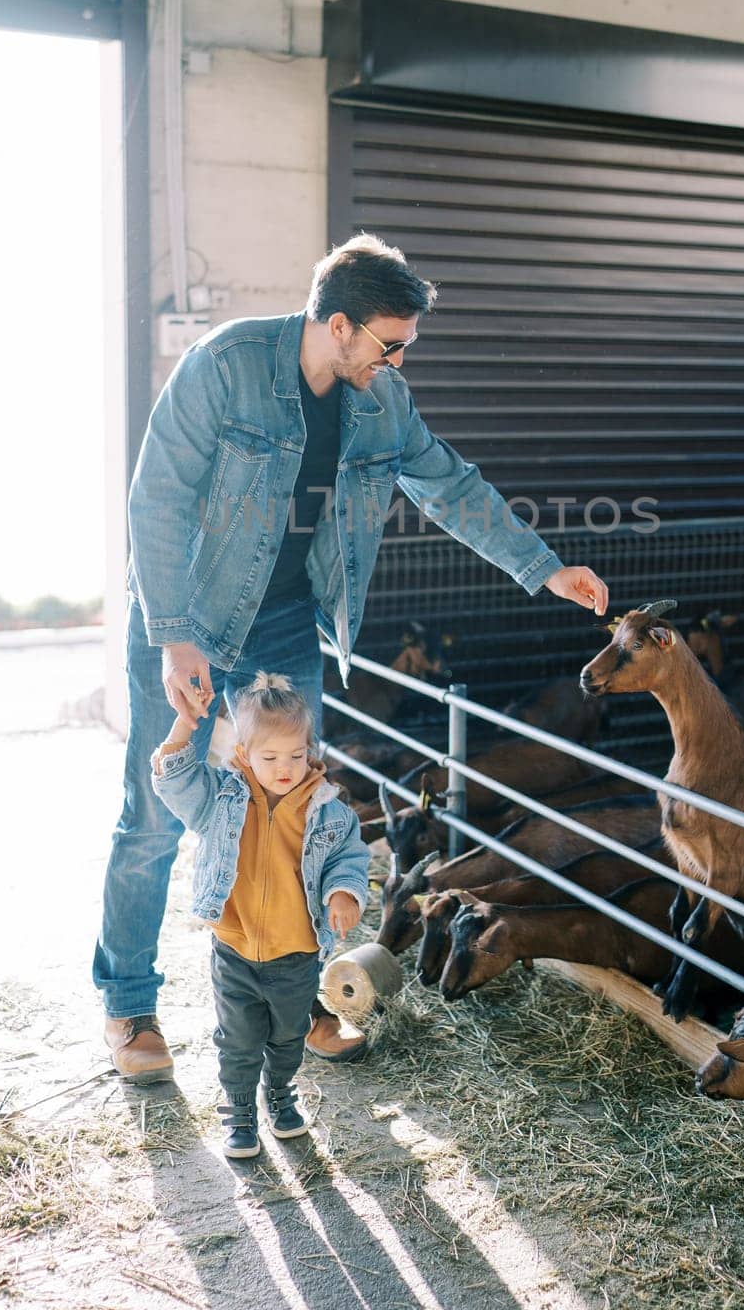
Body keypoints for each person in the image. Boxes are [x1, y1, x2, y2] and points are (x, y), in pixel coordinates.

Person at [94, 233, 610, 1081]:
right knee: (155, 818)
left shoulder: (382, 402)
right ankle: (127, 1005)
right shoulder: (225, 367)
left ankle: (298, 1005)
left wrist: (544, 566)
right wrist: (171, 633)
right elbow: (155, 499)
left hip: (290, 626)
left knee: (295, 820)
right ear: (337, 325)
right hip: (191, 618)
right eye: (390, 342)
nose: (400, 359)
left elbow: (451, 485)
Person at [150, 670, 369, 1157]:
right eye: (270, 757)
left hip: (296, 952)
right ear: (246, 754)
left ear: (309, 750)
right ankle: (240, 1111)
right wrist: (185, 725)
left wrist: (344, 894)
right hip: (235, 946)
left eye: (296, 754)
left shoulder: (327, 811)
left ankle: (280, 1094)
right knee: (239, 1037)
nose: (285, 766)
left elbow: (349, 859)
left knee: (290, 1034)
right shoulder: (221, 798)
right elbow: (172, 777)